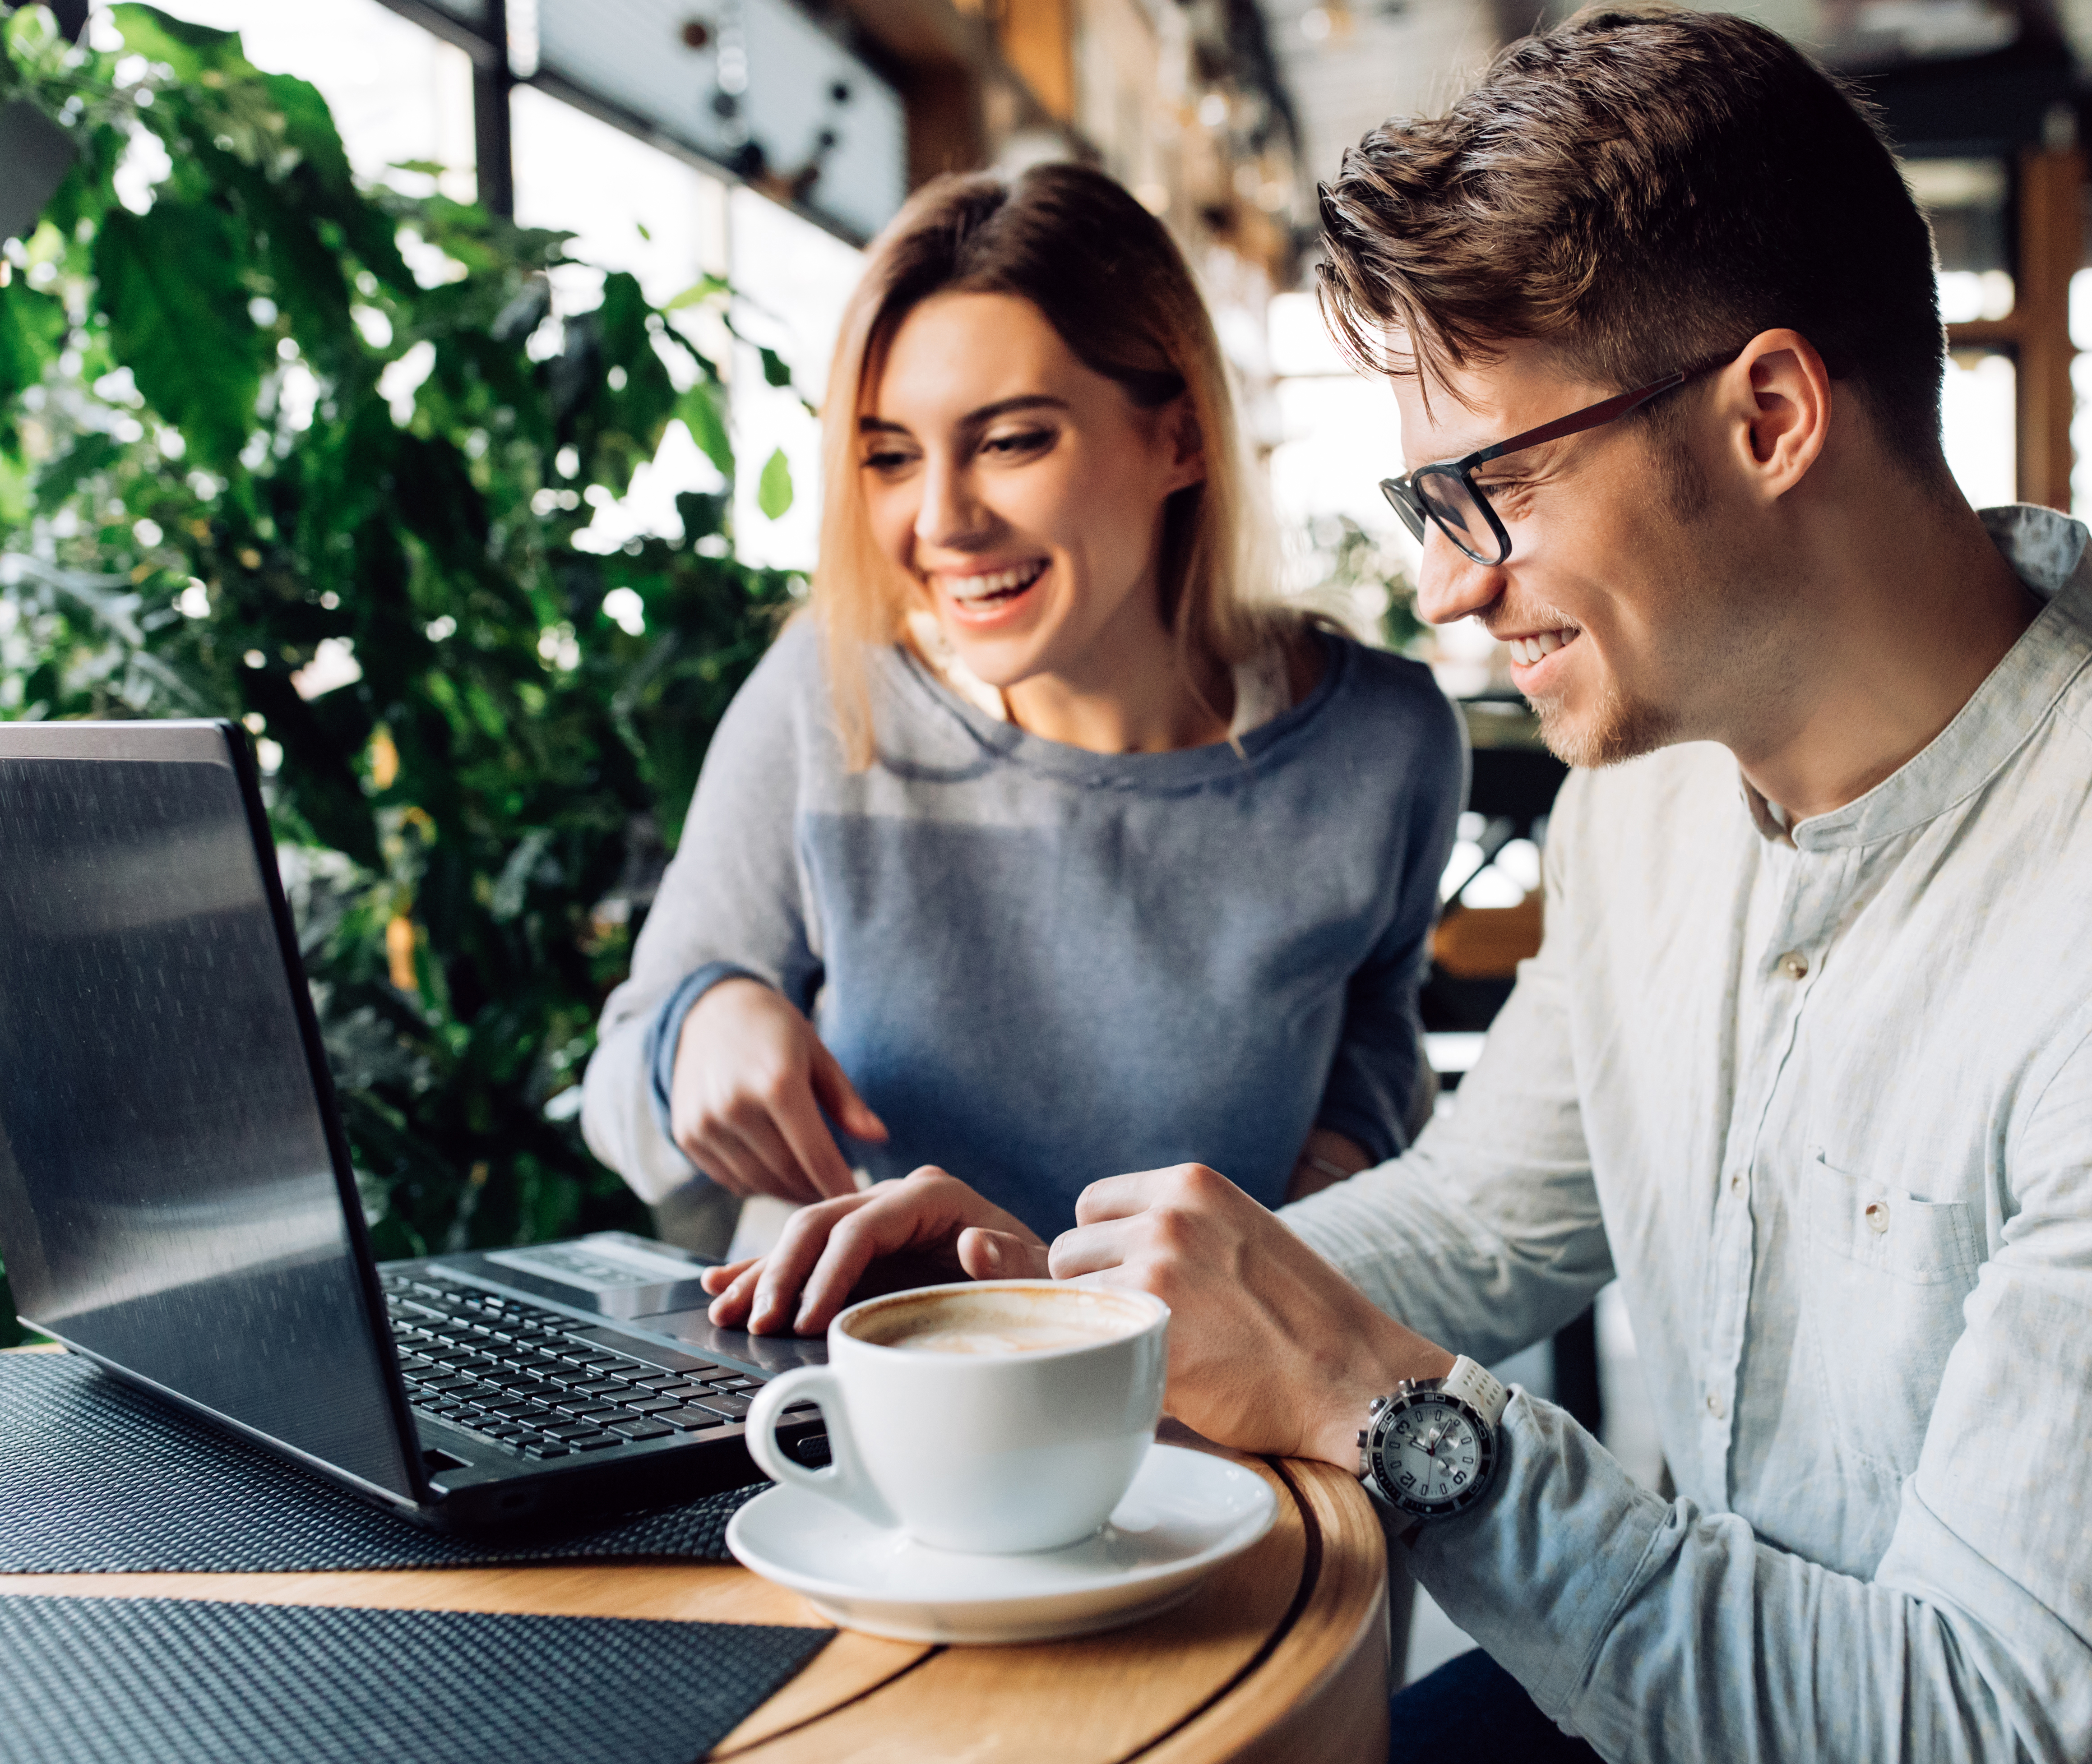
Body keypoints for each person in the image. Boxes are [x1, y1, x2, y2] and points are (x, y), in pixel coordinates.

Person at [720, 10, 2092, 1764]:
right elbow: (1489, 1220)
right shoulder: (1647, 801)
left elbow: (2016, 1722)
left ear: (1772, 415)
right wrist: (1062, 1308)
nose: (1438, 590)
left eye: (1484, 488)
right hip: (1753, 1654)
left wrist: (1381, 1406)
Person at [582, 163, 1463, 1277]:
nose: (941, 520)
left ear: (1180, 441)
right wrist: (699, 1027)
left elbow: (1378, 1024)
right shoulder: (828, 692)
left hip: (1203, 1400)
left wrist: (1313, 1210)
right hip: (875, 1392)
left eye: (1011, 441)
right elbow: (624, 1077)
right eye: (890, 457)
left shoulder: (1382, 744)